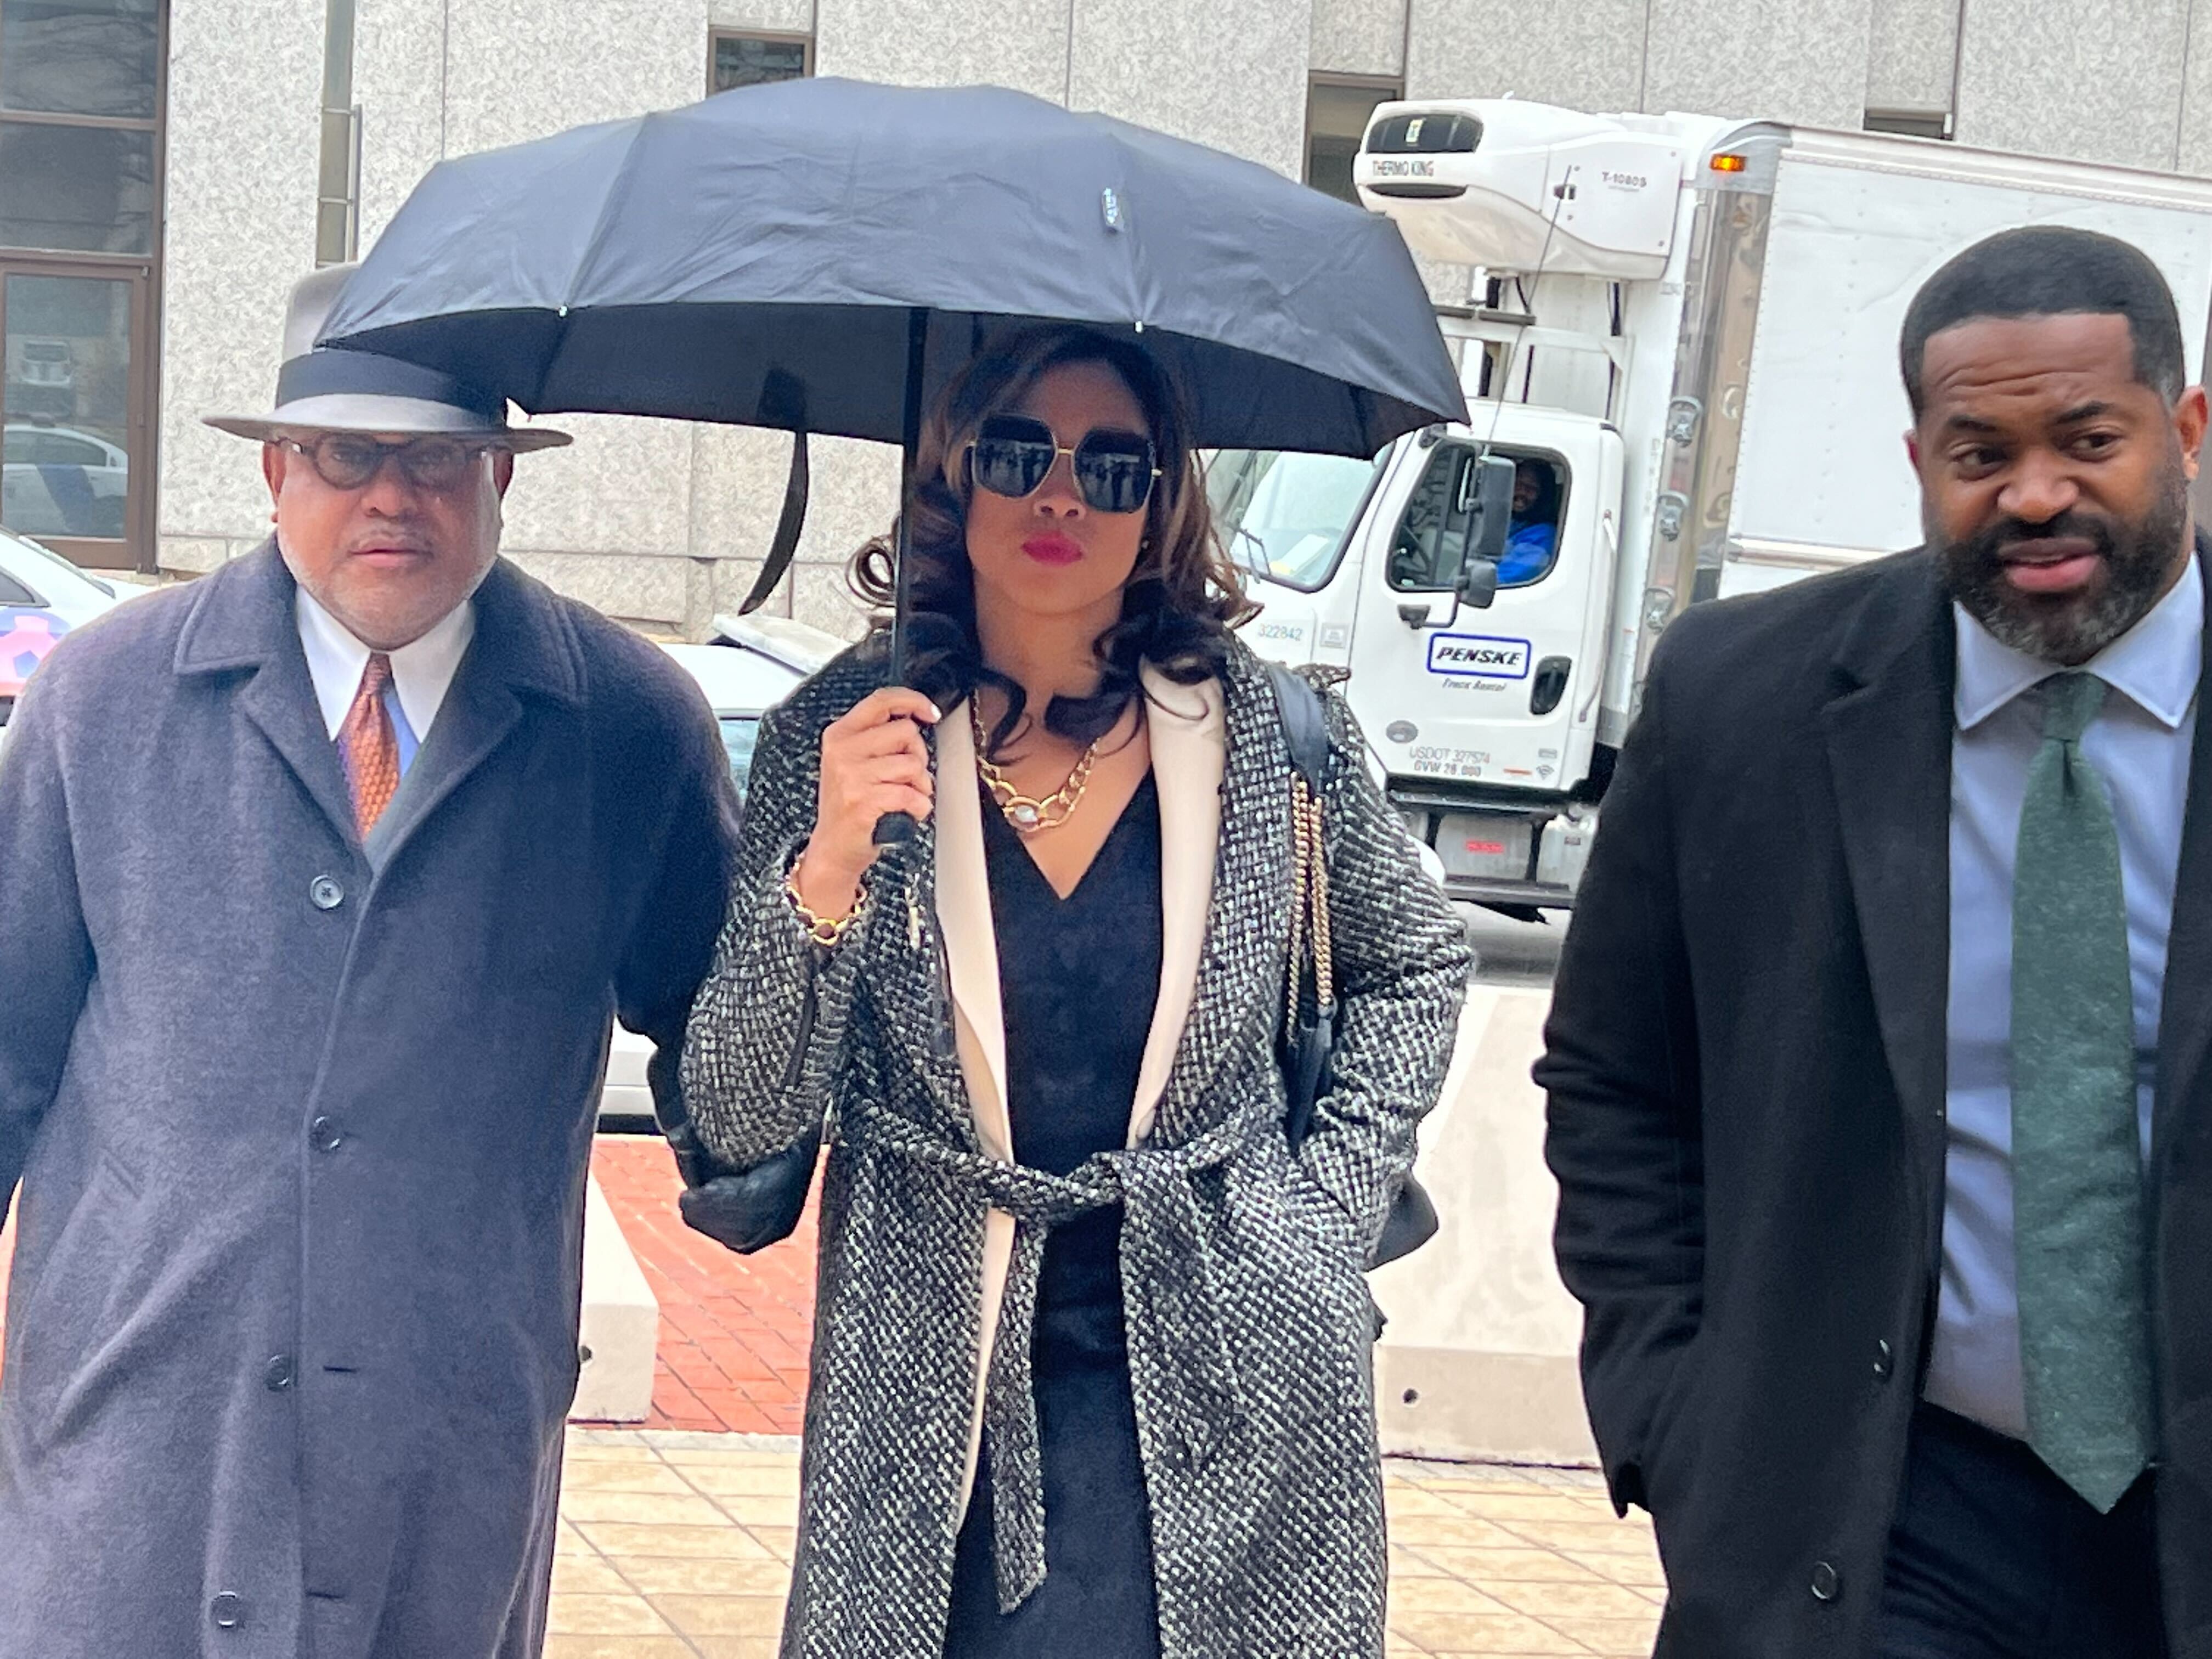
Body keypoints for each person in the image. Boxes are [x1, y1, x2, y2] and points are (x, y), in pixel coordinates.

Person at [682, 323, 1471, 1659]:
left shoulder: (1269, 735)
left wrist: (1314, 1220)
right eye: (1018, 453)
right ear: (954, 476)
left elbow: (1415, 964)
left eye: (1114, 466)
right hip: (932, 1364)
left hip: (1224, 1344)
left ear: (1162, 504)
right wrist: (823, 873)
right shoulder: (843, 734)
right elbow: (742, 1114)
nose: (1061, 495)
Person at [0, 263, 740, 1657]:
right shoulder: (99, 704)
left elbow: (729, 1069)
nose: (394, 494)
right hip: (137, 1445)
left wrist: (830, 917)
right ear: (278, 469)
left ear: (501, 481)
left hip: (442, 1458)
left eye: (441, 458)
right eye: (350, 452)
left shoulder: (630, 731)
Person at [1538, 224, 2212, 1657]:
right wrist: (1680, 1419)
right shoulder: (1746, 701)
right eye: (1982, 455)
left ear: (2187, 426)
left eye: (2089, 438)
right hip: (1886, 1528)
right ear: (1921, 464)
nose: (2038, 494)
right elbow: (1616, 1082)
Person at [1496, 456, 1558, 586]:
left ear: (1543, 496)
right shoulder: (1509, 523)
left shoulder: (1544, 535)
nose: (1522, 492)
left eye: (1531, 488)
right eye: (1518, 484)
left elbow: (1508, 578)